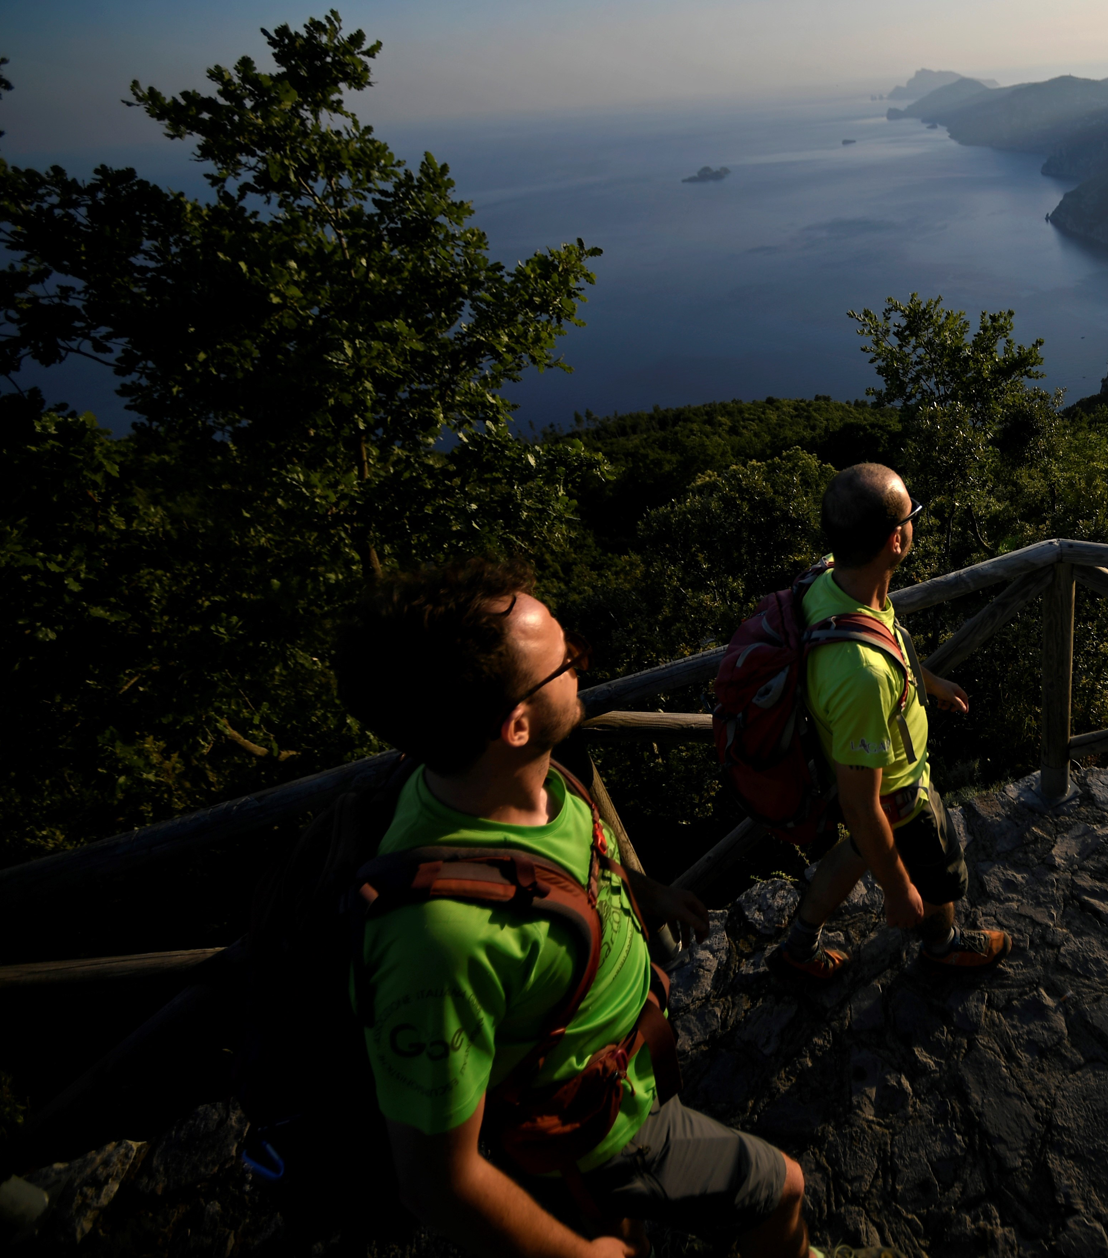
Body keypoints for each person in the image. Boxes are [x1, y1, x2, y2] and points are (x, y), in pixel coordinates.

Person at [337, 559, 815, 1258]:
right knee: (783, 1189)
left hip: (623, 1079)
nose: (581, 668)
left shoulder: (526, 781)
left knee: (625, 1232)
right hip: (593, 1131)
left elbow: (562, 866)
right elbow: (435, 1176)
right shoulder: (437, 940)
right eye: (570, 661)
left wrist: (646, 892)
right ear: (516, 723)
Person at [773, 463, 1011, 983]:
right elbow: (862, 807)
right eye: (911, 516)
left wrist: (929, 684)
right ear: (896, 539)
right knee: (936, 877)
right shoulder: (860, 677)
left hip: (858, 774)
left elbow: (882, 641)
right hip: (900, 800)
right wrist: (900, 887)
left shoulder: (832, 581)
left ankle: (798, 943)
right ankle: (943, 945)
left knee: (859, 847)